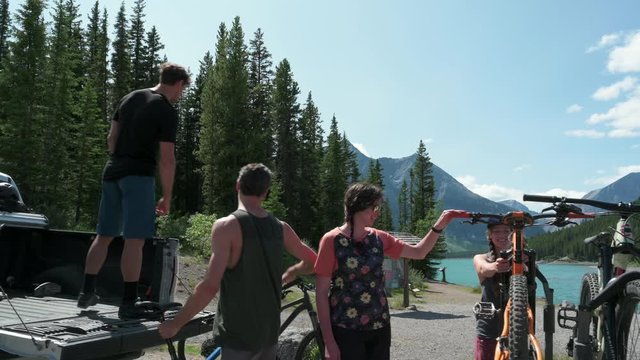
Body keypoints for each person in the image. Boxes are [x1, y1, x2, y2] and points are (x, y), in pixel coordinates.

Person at [158, 163, 318, 359]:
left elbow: (209, 286)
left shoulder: (226, 226)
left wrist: (175, 324)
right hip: (268, 336)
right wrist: (294, 271)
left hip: (238, 337)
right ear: (266, 192)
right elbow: (312, 261)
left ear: (237, 185)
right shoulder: (281, 228)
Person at [77, 62, 191, 319]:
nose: (181, 95)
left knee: (103, 235)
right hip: (138, 176)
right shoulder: (165, 110)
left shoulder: (129, 98)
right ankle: (128, 302)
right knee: (135, 239)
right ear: (179, 83)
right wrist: (167, 196)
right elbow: (167, 158)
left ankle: (86, 291)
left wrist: (120, 158)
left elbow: (111, 139)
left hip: (112, 171)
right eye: (183, 90)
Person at [314, 182, 466, 360]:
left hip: (380, 327)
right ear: (358, 206)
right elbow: (321, 293)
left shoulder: (379, 238)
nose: (378, 212)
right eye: (374, 207)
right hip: (346, 329)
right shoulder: (331, 240)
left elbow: (419, 252)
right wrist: (329, 342)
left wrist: (440, 224)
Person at [472, 220, 513, 360]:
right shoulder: (480, 258)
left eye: (506, 231)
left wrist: (525, 264)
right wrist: (496, 267)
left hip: (517, 329)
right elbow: (483, 268)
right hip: (488, 329)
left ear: (513, 234)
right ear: (489, 235)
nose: (502, 235)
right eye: (496, 231)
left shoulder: (522, 260)